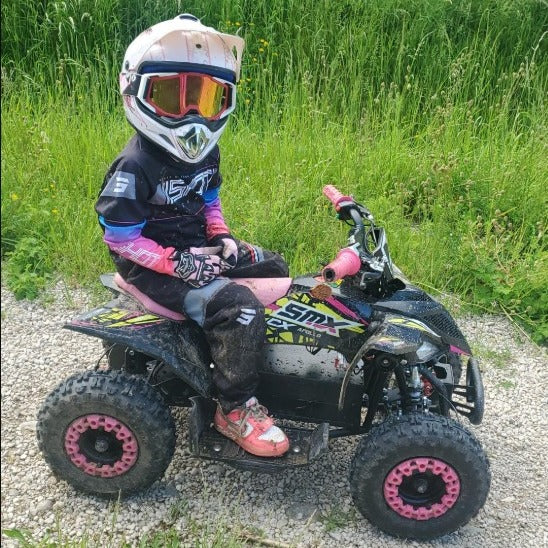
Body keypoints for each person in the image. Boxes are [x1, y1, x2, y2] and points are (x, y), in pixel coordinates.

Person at [95, 14, 290, 458]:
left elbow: (209, 199)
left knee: (275, 266)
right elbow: (120, 237)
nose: (192, 115)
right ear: (137, 91)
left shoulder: (207, 152)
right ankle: (233, 407)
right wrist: (176, 263)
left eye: (205, 99)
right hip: (149, 263)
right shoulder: (134, 166)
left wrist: (222, 235)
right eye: (172, 96)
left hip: (196, 247)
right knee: (240, 307)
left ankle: (234, 347)